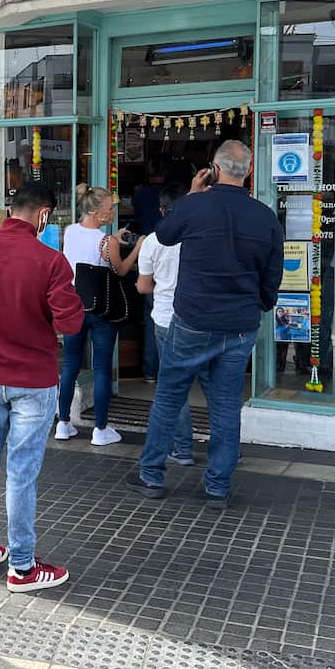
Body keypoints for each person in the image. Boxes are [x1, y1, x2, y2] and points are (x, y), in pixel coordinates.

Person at [126, 141, 283, 508]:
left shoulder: (193, 205)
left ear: (214, 169)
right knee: (226, 404)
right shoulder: (265, 217)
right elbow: (271, 276)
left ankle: (151, 475)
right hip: (240, 324)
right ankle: (217, 486)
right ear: (249, 170)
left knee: (169, 396)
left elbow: (165, 235)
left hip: (193, 319)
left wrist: (193, 194)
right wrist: (259, 304)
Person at [0, 181, 84, 594]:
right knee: (20, 474)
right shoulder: (51, 261)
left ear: (11, 210)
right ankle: (22, 567)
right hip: (34, 381)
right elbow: (70, 323)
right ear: (43, 215)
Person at [56, 184, 143, 446]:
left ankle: (63, 424)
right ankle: (100, 430)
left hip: (75, 306)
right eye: (108, 209)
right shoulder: (108, 241)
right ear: (95, 212)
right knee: (102, 368)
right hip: (102, 310)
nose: (112, 213)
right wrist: (137, 247)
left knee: (70, 365)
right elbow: (121, 270)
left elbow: (87, 250)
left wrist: (112, 239)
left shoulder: (70, 231)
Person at [136, 182, 196, 466]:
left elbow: (143, 286)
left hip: (165, 319)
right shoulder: (199, 236)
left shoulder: (152, 241)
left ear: (161, 210)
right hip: (198, 318)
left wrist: (162, 286)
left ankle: (182, 448)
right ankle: (228, 448)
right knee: (215, 386)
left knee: (173, 386)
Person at [134, 163, 167, 383]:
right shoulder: (172, 196)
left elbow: (142, 286)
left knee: (152, 320)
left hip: (149, 255)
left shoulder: (140, 195)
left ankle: (149, 371)